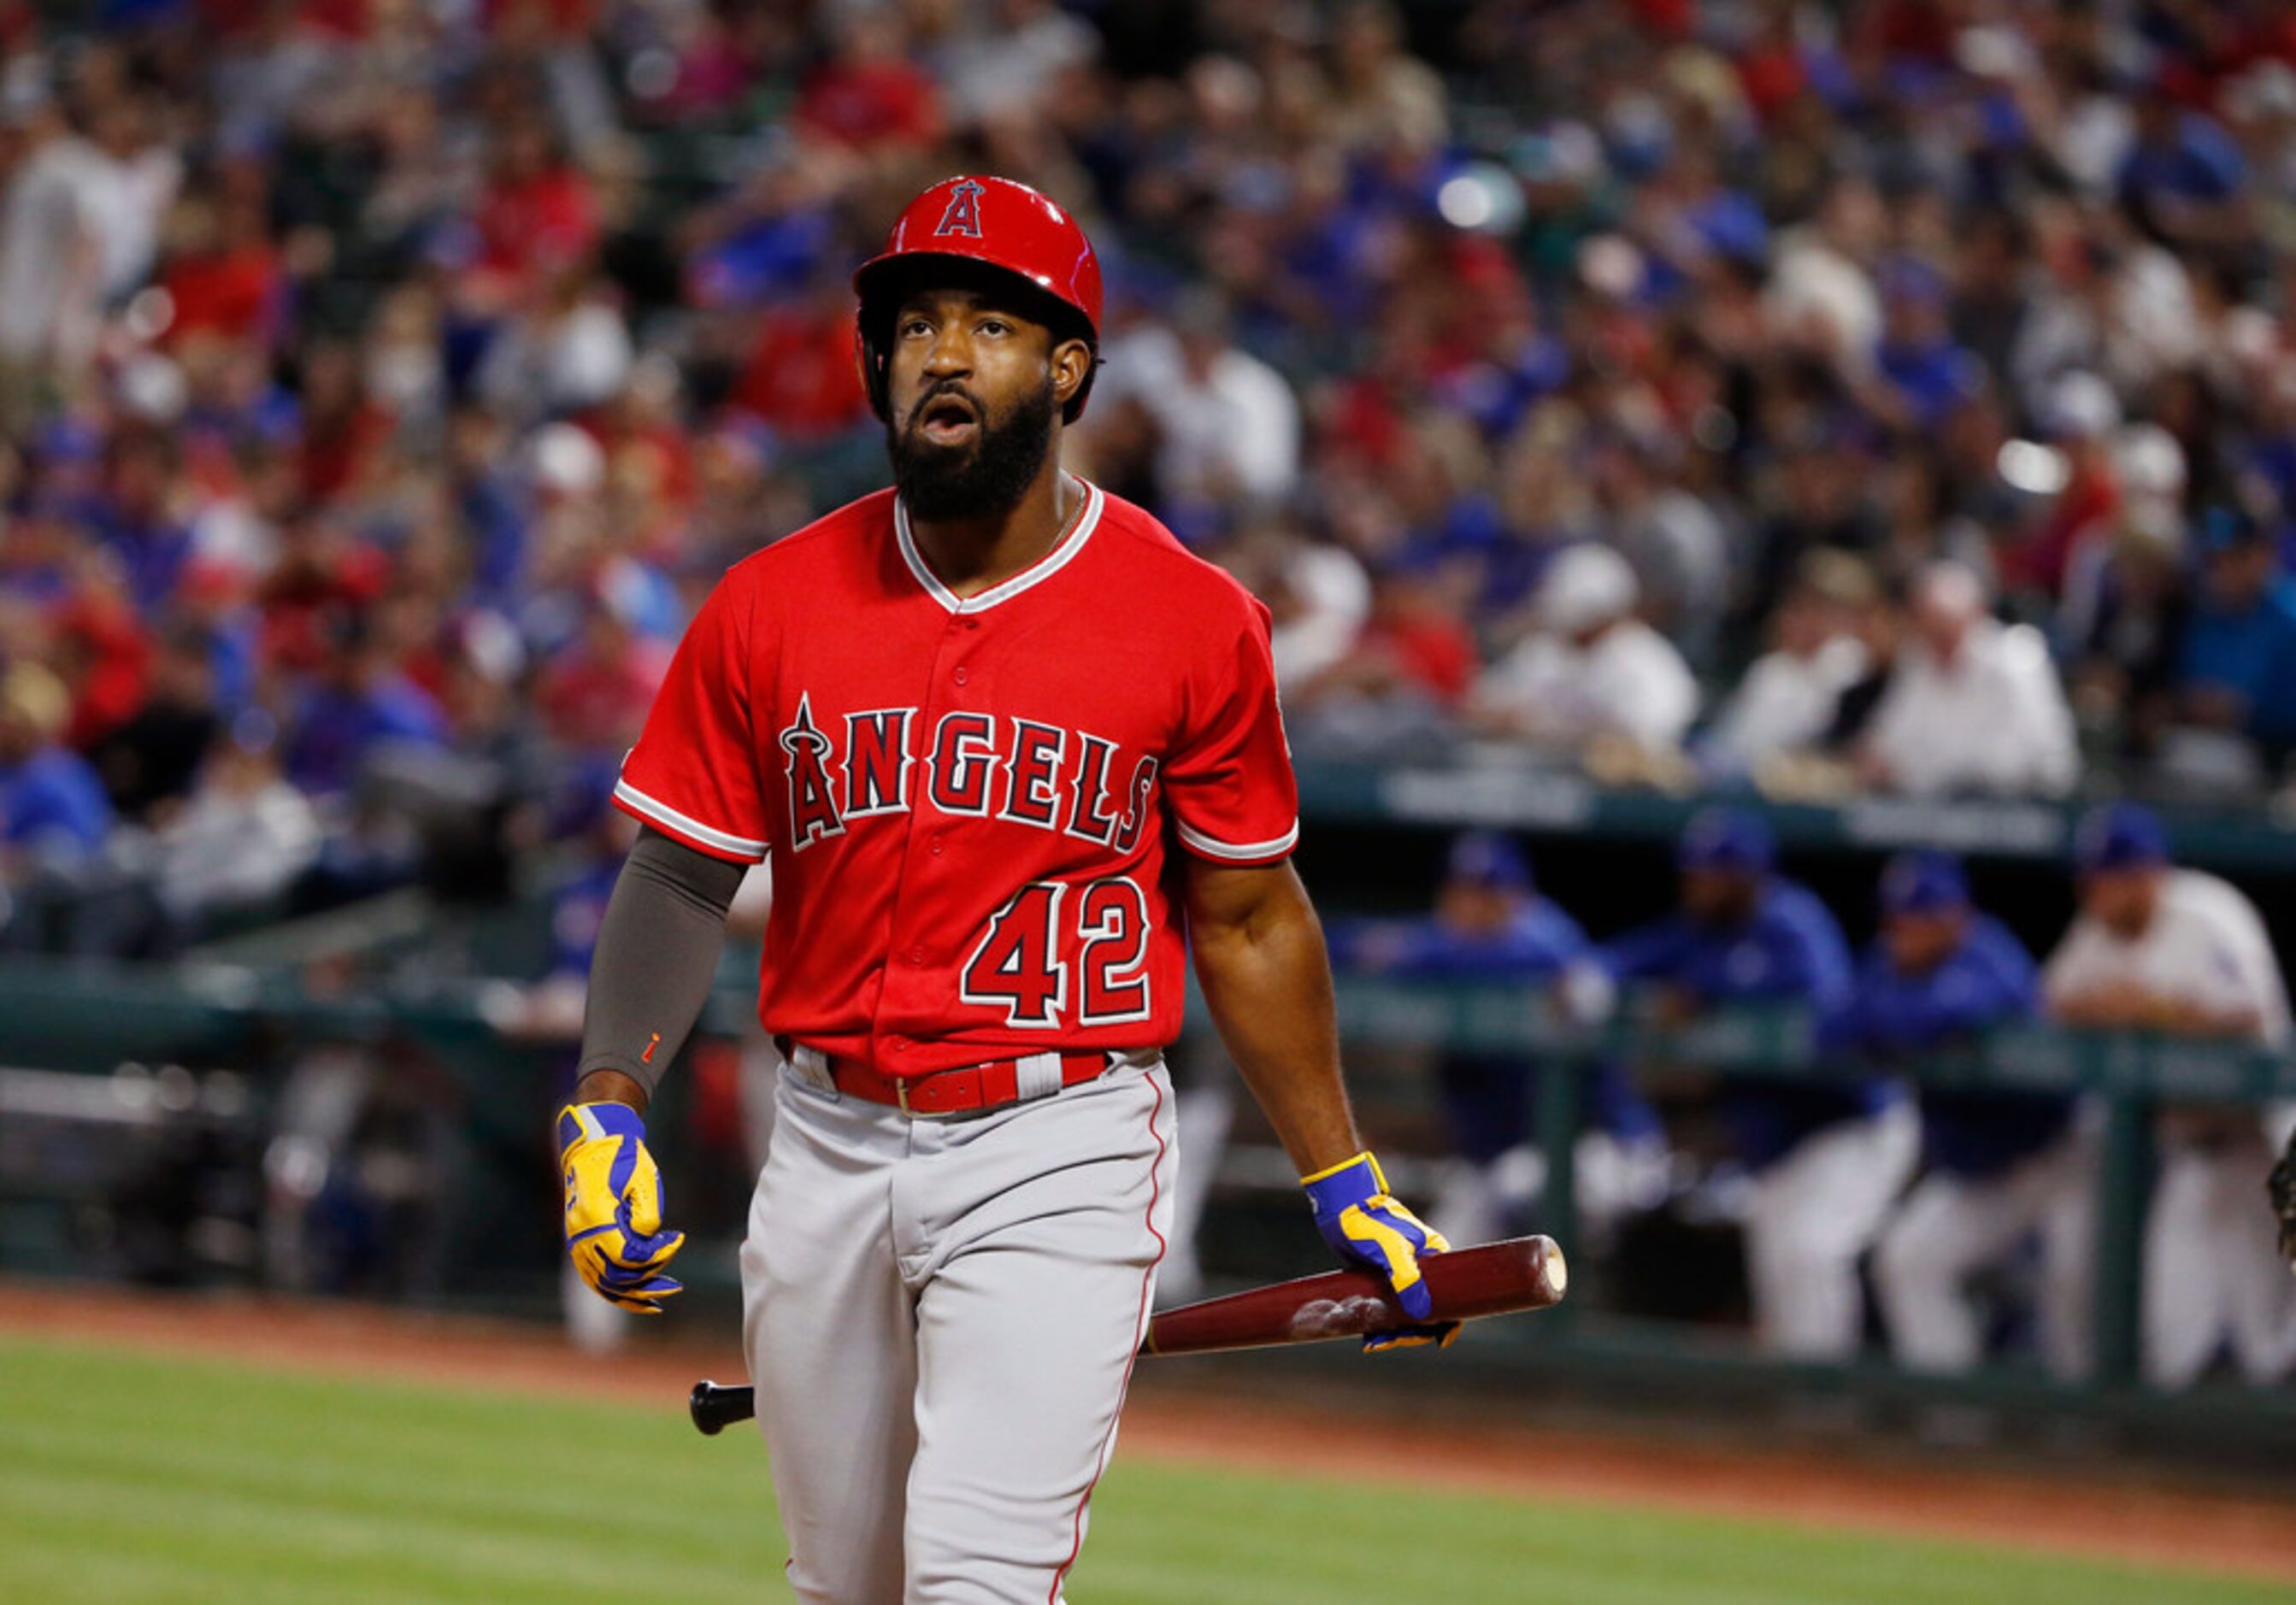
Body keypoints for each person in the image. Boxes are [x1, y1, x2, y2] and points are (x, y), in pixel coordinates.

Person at [553, 176, 1451, 1603]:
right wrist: (606, 1100)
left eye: (989, 323)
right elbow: (678, 866)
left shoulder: (1192, 615)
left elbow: (1249, 911)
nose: (944, 352)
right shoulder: (769, 604)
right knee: (843, 1586)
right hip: (829, 1132)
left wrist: (1342, 1171)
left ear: (1069, 369)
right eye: (915, 323)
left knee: (974, 1583)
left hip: (1061, 1139)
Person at [1601, 808, 1912, 1359]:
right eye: (1694, 873)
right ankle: (1797, 1410)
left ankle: (1826, 1396)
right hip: (1779, 1139)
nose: (1697, 885)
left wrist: (1705, 991)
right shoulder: (1697, 932)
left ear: (1747, 876)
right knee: (1777, 1265)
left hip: (1848, 1125)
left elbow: (1816, 1005)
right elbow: (1616, 964)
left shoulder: (1793, 923)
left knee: (1813, 1251)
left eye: (1712, 874)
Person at [2043, 803, 2296, 1389]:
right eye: (2089, 877)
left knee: (2273, 1324)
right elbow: (2054, 999)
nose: (2092, 891)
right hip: (2192, 1154)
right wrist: (2150, 1010)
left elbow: (2246, 1018)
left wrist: (2144, 1009)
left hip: (2267, 1144)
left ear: (2147, 874)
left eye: (2106, 877)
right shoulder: (2098, 927)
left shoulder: (2208, 915)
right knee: (2171, 1328)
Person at [1326, 832, 1667, 1249]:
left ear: (1517, 894)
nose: (1472, 903)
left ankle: (1573, 1295)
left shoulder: (1546, 942)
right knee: (1434, 1267)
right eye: (1462, 889)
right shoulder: (1446, 942)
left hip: (1607, 1150)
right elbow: (1352, 945)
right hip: (1505, 1161)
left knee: (1522, 1199)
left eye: (1488, 891)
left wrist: (1410, 953)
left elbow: (1493, 957)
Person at [1852, 853, 2093, 1379]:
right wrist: (1904, 1018)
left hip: (2059, 1158)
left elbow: (1957, 1012)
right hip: (1983, 1171)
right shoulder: (1892, 962)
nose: (1904, 932)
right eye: (1897, 919)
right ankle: (1954, 1415)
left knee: (2074, 1280)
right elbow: (1836, 1022)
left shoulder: (1991, 953)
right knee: (1908, 1258)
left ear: (1956, 917)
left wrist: (1891, 1021)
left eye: (1921, 918)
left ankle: (2084, 1430)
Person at [1857, 560, 2080, 797]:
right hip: (1937, 805)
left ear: (1975, 615)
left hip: (2026, 805)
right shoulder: (1918, 661)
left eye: (1946, 625)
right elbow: (1885, 742)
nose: (1937, 637)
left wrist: (1920, 769)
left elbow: (2019, 760)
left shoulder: (2018, 658)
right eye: (1928, 625)